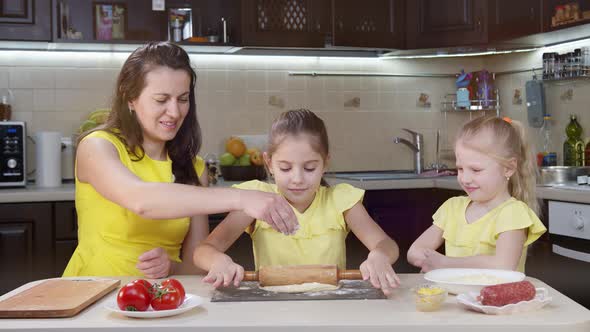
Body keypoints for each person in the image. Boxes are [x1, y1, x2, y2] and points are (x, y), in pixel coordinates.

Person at [63, 42, 298, 278]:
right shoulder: (98, 146)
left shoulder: (194, 167)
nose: (175, 112)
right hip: (94, 296)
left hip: (163, 303)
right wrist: (242, 198)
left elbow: (192, 269)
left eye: (182, 99)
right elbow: (141, 200)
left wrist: (171, 267)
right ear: (130, 98)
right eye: (161, 99)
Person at [193, 109, 401, 295]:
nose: (298, 178)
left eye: (310, 168)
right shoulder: (258, 200)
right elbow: (204, 250)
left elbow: (386, 244)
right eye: (285, 168)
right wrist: (218, 261)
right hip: (274, 307)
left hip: (330, 306)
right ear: (269, 163)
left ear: (325, 163)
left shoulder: (340, 200)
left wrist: (379, 256)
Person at [407, 116, 547, 273]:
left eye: (476, 170)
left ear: (508, 168)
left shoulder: (512, 213)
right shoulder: (452, 208)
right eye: (460, 169)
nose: (465, 179)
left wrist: (445, 263)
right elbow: (414, 251)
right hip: (455, 296)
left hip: (498, 298)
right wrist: (428, 260)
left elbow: (503, 265)